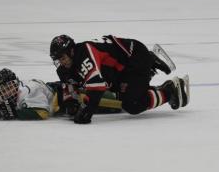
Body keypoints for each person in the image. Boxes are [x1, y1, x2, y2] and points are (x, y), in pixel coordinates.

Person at [49, 35, 189, 124]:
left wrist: (86, 111)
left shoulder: (84, 54)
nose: (62, 63)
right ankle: (149, 68)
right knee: (120, 92)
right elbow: (70, 86)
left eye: (63, 58)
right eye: (58, 60)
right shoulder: (65, 68)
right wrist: (70, 102)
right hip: (122, 67)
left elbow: (96, 88)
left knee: (132, 104)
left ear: (72, 51)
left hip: (134, 59)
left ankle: (170, 90)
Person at [0, 68, 121, 120]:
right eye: (3, 90)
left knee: (111, 102)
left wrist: (11, 113)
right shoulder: (2, 95)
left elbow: (42, 112)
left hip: (65, 95)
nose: (7, 92)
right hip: (55, 91)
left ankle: (123, 95)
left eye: (10, 87)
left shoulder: (29, 92)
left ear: (16, 83)